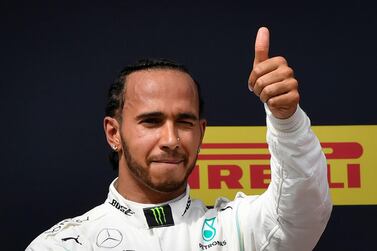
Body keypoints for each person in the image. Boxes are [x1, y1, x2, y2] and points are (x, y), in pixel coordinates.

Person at [26, 27, 332, 251]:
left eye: (184, 122)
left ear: (201, 132)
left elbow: (304, 210)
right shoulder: (65, 245)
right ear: (113, 133)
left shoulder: (239, 228)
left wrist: (286, 120)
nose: (171, 139)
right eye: (152, 121)